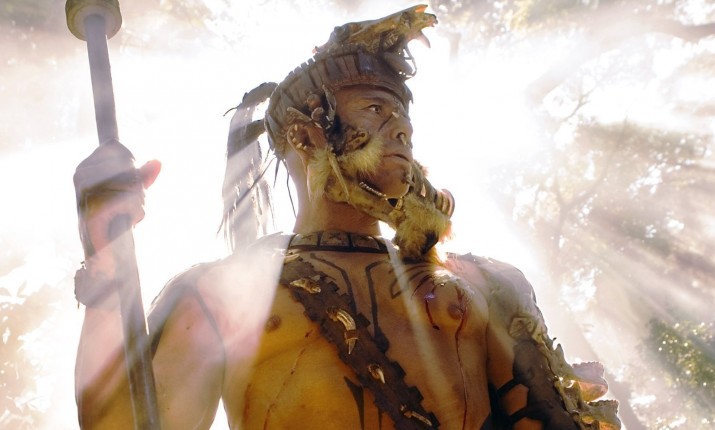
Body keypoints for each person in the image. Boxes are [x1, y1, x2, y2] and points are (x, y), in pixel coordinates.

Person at [72, 5, 621, 430]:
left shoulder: (485, 283)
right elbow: (123, 423)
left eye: (402, 116)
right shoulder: (222, 293)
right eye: (375, 109)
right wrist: (106, 252)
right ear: (306, 135)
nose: (401, 129)